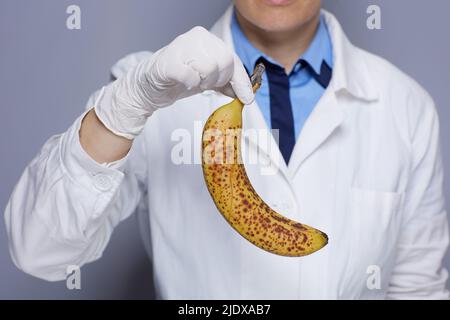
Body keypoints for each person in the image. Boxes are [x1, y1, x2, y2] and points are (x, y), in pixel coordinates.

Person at [4, 0, 449, 299]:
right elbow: (40, 250)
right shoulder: (150, 87)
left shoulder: (405, 106)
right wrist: (124, 107)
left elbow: (419, 290)